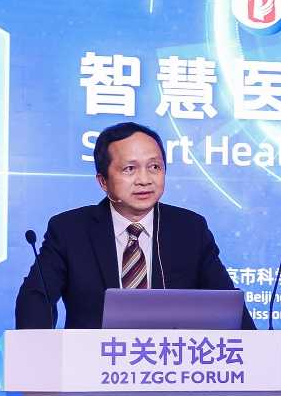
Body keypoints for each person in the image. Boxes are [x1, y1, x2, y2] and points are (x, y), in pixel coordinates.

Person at [14, 121, 254, 329]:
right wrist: (38, 349)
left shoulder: (189, 229)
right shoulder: (70, 230)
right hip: (92, 361)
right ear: (103, 181)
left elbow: (227, 306)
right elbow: (36, 298)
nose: (144, 180)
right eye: (130, 169)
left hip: (173, 362)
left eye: (154, 167)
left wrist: (256, 355)